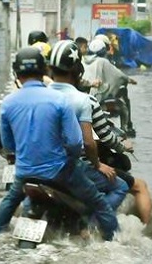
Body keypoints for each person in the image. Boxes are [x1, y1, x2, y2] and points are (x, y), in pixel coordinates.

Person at [0, 47, 120, 241]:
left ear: (16, 73)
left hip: (25, 172)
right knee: (99, 203)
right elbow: (76, 143)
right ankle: (115, 243)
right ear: (44, 71)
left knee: (9, 201)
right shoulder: (60, 100)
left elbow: (8, 146)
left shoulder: (8, 103)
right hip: (60, 172)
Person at [48, 40, 129, 211]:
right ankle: (94, 223)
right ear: (77, 72)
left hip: (41, 166)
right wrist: (120, 148)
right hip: (73, 168)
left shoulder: (38, 98)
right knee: (122, 186)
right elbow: (91, 141)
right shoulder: (85, 101)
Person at [89, 94, 152, 225]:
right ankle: (147, 230)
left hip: (48, 168)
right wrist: (122, 146)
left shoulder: (54, 102)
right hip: (83, 167)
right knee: (139, 186)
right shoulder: (86, 103)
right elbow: (103, 138)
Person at [83, 39, 137, 135]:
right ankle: (125, 129)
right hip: (97, 98)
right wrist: (129, 79)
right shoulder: (103, 61)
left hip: (83, 98)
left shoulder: (82, 59)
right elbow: (118, 75)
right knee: (123, 108)